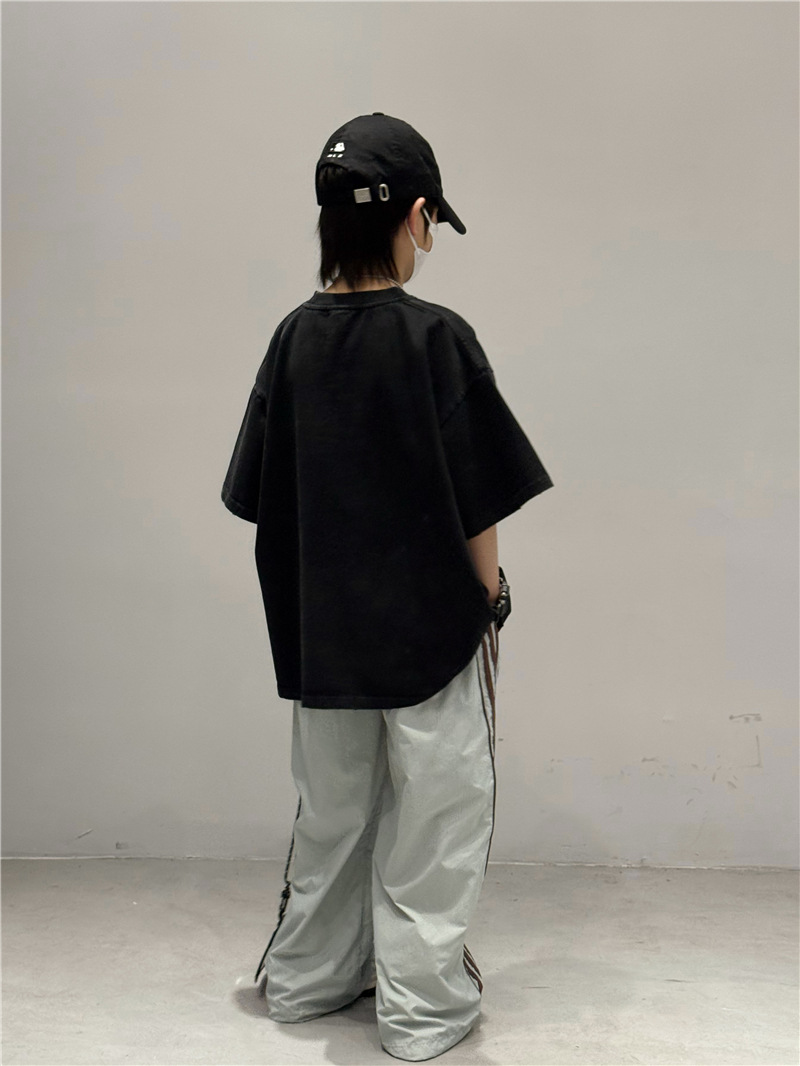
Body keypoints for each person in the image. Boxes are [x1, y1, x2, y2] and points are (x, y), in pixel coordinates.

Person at [221, 112, 554, 1061]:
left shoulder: (291, 342)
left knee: (331, 817)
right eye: (432, 221)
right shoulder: (436, 339)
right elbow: (478, 499)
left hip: (323, 639)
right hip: (430, 637)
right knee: (438, 820)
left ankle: (307, 981)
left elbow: (258, 498)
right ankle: (423, 1013)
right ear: (416, 217)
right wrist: (489, 601)